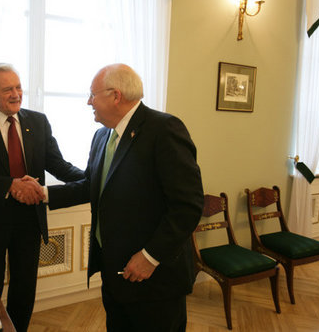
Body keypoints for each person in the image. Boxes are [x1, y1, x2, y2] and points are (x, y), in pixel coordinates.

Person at [46, 63, 203, 331]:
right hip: (114, 270)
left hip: (154, 276)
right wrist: (43, 193)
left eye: (92, 95)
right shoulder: (101, 136)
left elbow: (187, 206)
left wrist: (150, 256)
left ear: (115, 96)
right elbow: (91, 186)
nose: (88, 102)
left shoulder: (164, 129)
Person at [0, 63, 84, 332]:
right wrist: (10, 185)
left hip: (29, 221)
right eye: (7, 89)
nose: (16, 94)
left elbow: (57, 164)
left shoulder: (37, 121)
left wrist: (92, 179)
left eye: (19, 87)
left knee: (25, 287)